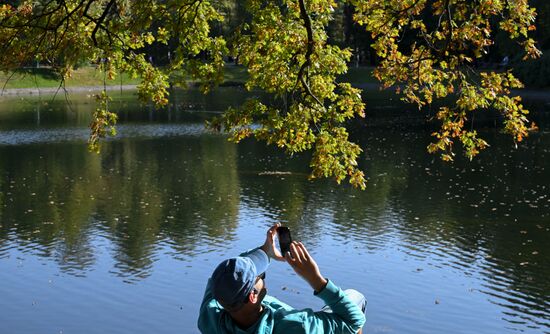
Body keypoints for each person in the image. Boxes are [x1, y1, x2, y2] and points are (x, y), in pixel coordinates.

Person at [197, 223, 366, 333]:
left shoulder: (209, 318)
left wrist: (265, 252)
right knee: (356, 297)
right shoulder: (294, 326)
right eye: (260, 275)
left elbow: (222, 277)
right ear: (252, 296)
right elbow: (354, 320)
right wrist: (316, 280)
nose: (262, 274)